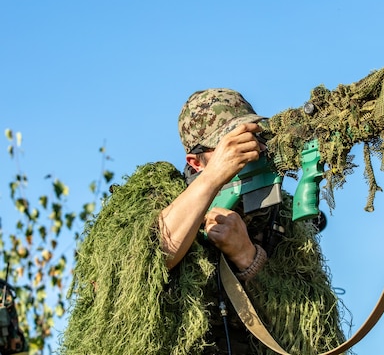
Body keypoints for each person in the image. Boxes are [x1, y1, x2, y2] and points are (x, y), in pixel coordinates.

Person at [60, 88, 348, 355]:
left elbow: (315, 326)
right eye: (232, 146)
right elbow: (130, 273)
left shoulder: (278, 214)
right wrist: (214, 178)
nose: (251, 151)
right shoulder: (155, 195)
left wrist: (249, 257)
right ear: (195, 162)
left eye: (254, 138)